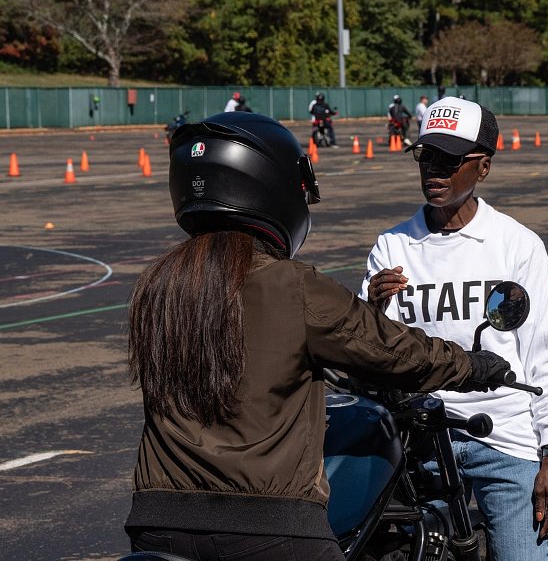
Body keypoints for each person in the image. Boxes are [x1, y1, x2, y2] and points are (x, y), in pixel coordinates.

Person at [124, 112, 511, 560]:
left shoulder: (156, 285)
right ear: (273, 187)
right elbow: (391, 349)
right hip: (270, 526)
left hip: (156, 522)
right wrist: (473, 366)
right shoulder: (291, 284)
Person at [361, 96, 548, 561]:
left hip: (505, 437)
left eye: (449, 159)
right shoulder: (392, 245)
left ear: (482, 168)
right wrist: (372, 308)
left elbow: (547, 354)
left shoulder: (516, 246)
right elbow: (371, 354)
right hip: (418, 446)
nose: (433, 169)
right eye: (426, 155)